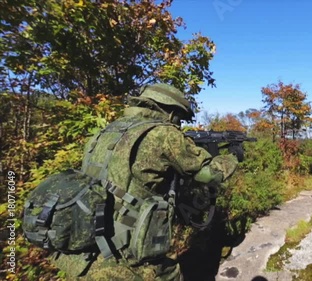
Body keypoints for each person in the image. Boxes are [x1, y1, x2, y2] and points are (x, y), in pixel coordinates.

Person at [50, 83, 239, 280]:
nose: (178, 124)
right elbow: (208, 175)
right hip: (128, 255)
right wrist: (233, 157)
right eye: (179, 118)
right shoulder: (163, 134)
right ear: (170, 112)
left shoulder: (106, 132)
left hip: (85, 246)